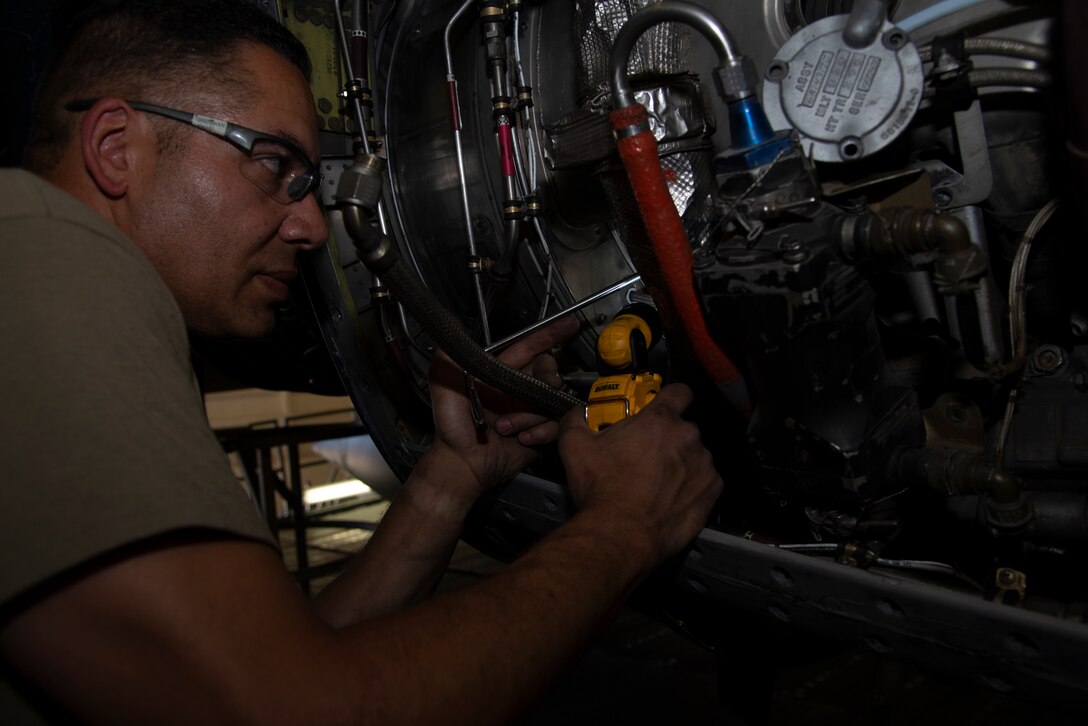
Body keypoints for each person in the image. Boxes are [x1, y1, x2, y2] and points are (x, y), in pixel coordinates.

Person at [0, 0, 723, 722]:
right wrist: (627, 525)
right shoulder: (39, 263)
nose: (312, 227)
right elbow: (290, 709)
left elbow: (284, 661)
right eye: (274, 164)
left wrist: (450, 482)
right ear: (116, 146)